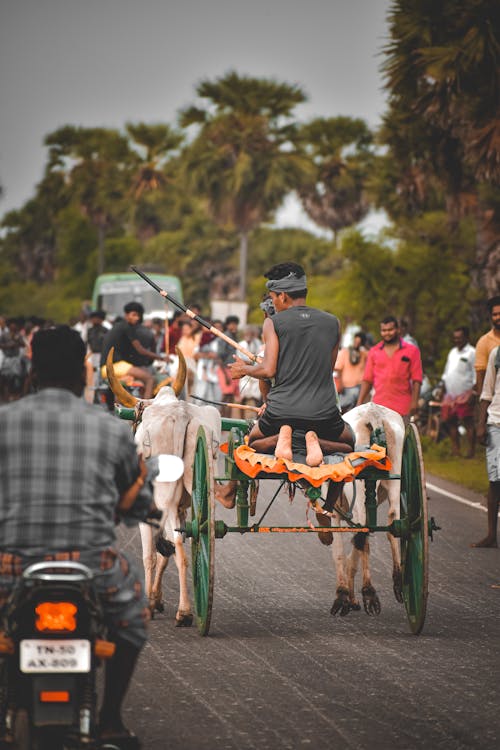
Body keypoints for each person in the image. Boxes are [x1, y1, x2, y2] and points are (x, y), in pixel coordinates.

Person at [0, 326, 155, 748]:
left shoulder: (4, 422)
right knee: (132, 624)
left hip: (9, 569)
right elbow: (135, 499)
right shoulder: (108, 429)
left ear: (31, 370)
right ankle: (109, 720)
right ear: (84, 374)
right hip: (91, 568)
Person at [228, 262, 354, 541]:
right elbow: (326, 370)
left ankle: (283, 438)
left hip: (281, 412)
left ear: (282, 296)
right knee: (349, 443)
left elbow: (269, 370)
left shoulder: (273, 322)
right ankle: (326, 506)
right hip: (323, 413)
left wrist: (244, 370)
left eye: (272, 298)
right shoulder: (333, 323)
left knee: (251, 442)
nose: (272, 303)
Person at [357, 315, 423, 424]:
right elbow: (367, 380)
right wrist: (359, 403)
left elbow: (417, 379)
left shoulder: (412, 351)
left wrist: (414, 402)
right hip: (379, 407)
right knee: (379, 440)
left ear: (398, 330)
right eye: (384, 330)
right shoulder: (374, 351)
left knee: (401, 440)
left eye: (390, 330)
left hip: (402, 408)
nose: (387, 333)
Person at [100, 302, 169, 399]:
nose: (136, 318)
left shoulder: (119, 326)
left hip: (107, 367)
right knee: (150, 379)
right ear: (126, 315)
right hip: (114, 366)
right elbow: (140, 350)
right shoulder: (127, 327)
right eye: (134, 315)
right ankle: (145, 407)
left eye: (138, 316)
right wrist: (162, 358)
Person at [471, 345, 500, 548]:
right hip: (496, 421)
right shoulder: (496, 353)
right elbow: (487, 391)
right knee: (495, 479)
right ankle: (491, 535)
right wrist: (481, 423)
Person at [440, 326, 476, 457]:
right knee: (450, 422)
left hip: (465, 394)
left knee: (468, 422)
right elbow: (446, 373)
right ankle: (456, 450)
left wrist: (473, 393)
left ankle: (471, 452)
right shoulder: (452, 352)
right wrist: (442, 390)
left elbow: (476, 374)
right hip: (450, 394)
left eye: (459, 338)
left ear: (466, 337)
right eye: (455, 338)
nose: (457, 340)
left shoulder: (472, 352)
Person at [334, 331, 368, 413]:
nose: (357, 344)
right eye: (356, 341)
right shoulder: (345, 352)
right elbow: (338, 369)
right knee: (344, 410)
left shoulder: (364, 354)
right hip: (347, 388)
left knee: (354, 412)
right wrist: (340, 384)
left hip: (360, 387)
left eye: (359, 342)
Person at [474, 295, 500, 397]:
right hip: (495, 402)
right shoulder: (484, 342)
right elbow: (481, 375)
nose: (498, 317)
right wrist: (482, 403)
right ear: (490, 317)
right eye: (495, 314)